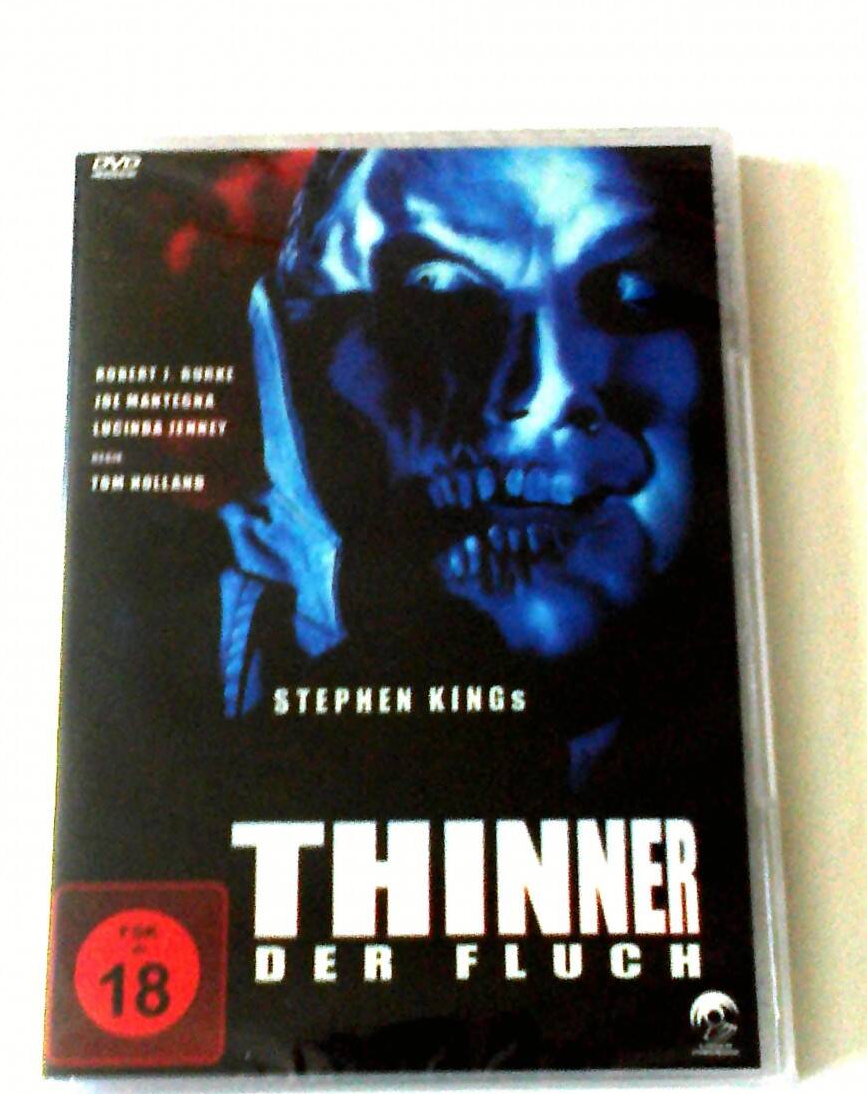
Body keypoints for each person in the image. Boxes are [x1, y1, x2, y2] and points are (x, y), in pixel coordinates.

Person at [218, 145, 728, 788]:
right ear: (287, 344)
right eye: (438, 291)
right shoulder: (158, 652)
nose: (552, 388)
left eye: (634, 294)